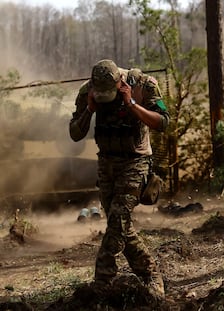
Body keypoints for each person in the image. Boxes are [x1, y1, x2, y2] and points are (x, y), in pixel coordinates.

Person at [69, 59, 169, 298]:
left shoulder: (143, 85)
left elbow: (163, 122)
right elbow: (75, 133)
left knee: (118, 221)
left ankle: (102, 282)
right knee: (120, 226)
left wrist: (131, 104)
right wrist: (90, 109)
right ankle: (151, 275)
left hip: (136, 162)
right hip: (107, 164)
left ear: (120, 82)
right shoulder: (87, 92)